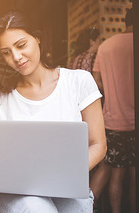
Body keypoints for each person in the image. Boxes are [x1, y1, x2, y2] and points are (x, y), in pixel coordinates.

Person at [0, 10, 106, 212]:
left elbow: (98, 145)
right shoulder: (1, 99)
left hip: (68, 190)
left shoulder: (79, 81)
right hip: (17, 196)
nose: (16, 57)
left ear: (37, 38)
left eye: (21, 45)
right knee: (36, 207)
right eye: (6, 53)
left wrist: (59, 174)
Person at [91, 8, 135, 213]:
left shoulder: (105, 46)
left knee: (116, 174)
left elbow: (97, 82)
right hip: (135, 122)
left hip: (113, 120)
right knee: (134, 175)